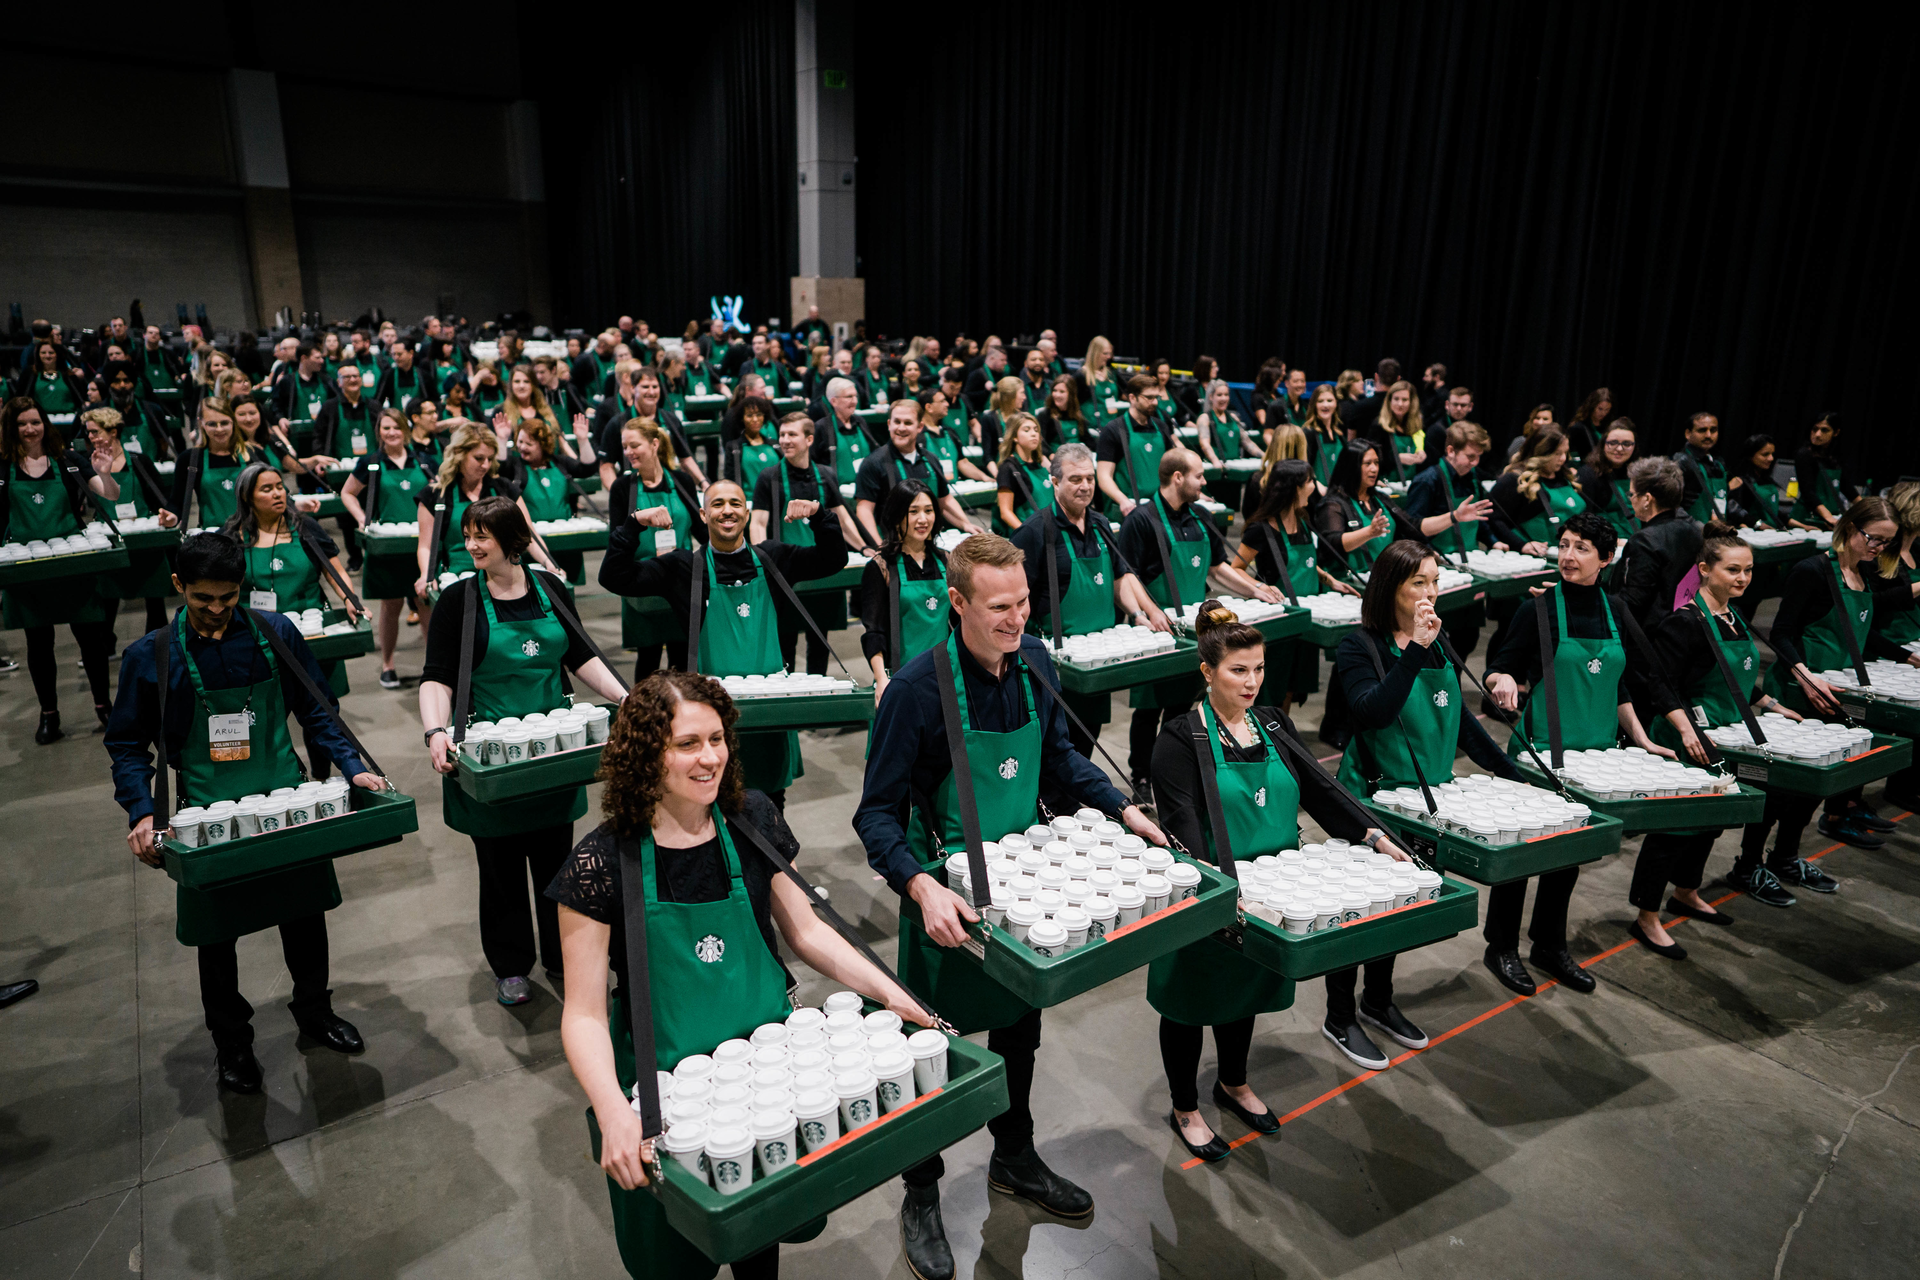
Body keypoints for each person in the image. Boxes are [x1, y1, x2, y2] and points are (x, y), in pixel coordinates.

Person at [853, 533, 1167, 1280]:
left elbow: (1059, 759)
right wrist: (918, 884)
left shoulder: (1035, 664)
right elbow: (875, 816)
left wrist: (1122, 810)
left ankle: (1015, 1156)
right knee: (929, 1053)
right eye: (999, 607)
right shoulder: (913, 692)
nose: (1017, 618)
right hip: (946, 901)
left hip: (1024, 894)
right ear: (955, 602)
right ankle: (921, 1189)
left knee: (1019, 1034)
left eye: (1024, 602)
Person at [552, 670, 932, 1280]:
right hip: (663, 1083)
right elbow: (585, 1013)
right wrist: (613, 1112)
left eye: (717, 738)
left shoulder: (749, 818)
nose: (711, 758)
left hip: (762, 1064)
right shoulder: (601, 862)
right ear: (647, 753)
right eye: (687, 744)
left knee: (762, 1225)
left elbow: (806, 933)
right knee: (677, 1249)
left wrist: (890, 991)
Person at [106, 532, 379, 1091]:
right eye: (203, 598)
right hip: (206, 813)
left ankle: (314, 1010)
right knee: (217, 934)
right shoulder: (150, 656)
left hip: (285, 797)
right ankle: (231, 1042)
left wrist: (353, 766)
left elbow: (319, 710)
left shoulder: (275, 635)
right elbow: (128, 744)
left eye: (228, 598)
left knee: (304, 913)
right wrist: (141, 810)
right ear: (179, 586)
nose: (216, 611)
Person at [1148, 601, 1415, 1159]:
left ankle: (1233, 1081)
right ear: (1206, 670)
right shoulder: (1180, 738)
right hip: (1211, 893)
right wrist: (1219, 898)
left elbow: (1322, 791)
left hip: (1275, 893)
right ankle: (1185, 1107)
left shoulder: (1272, 723)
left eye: (1259, 669)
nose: (1251, 682)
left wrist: (1374, 836)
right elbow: (1180, 829)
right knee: (1189, 1004)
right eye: (1237, 670)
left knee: (1246, 990)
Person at [419, 498, 628, 1006]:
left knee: (558, 862)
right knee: (500, 868)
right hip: (490, 759)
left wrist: (625, 697)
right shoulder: (459, 601)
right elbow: (438, 677)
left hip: (554, 752)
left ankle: (564, 957)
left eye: (481, 536)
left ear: (512, 541)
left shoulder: (551, 589)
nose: (470, 545)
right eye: (467, 535)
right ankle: (511, 965)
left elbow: (580, 655)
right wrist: (435, 732)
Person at [1330, 540, 1514, 1066]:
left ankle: (1378, 1001)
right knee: (1359, 912)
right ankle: (1339, 1016)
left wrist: (1518, 775)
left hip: (1426, 800)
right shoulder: (1358, 647)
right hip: (1371, 801)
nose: (1431, 592)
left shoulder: (1440, 642)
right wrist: (1413, 649)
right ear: (1391, 588)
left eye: (1434, 581)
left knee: (1399, 909)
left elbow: (1462, 726)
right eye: (1418, 583)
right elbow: (1374, 713)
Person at [1482, 513, 1675, 991]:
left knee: (1568, 855)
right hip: (1541, 752)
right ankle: (1500, 946)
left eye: (1582, 548)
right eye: (1564, 545)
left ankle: (1549, 944)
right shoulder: (1539, 610)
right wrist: (1502, 679)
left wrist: (1645, 740)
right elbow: (1500, 665)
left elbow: (1619, 685)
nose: (1568, 555)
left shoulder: (1616, 611)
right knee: (1523, 852)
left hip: (1596, 758)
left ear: (1607, 559)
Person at [600, 479, 846, 803]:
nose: (727, 510)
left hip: (770, 714)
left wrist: (819, 516)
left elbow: (834, 558)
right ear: (703, 515)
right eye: (717, 504)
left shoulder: (774, 559)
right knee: (713, 809)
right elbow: (613, 576)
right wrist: (633, 525)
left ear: (746, 513)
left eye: (734, 503)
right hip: (711, 719)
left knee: (771, 805)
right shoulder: (683, 567)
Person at [1735, 497, 1916, 892]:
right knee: (1780, 791)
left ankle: (1785, 857)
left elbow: (1862, 635)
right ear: (1850, 528)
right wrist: (1806, 677)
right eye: (1873, 538)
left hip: (1839, 697)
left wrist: (1907, 656)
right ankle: (1748, 864)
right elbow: (1782, 633)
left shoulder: (1863, 576)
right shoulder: (1812, 570)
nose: (1878, 548)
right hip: (1800, 696)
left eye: (1885, 543)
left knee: (1811, 790)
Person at [1626, 524, 1774, 957]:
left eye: (1748, 570)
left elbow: (1738, 678)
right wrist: (1688, 730)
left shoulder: (1733, 617)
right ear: (1704, 570)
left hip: (1725, 736)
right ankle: (1646, 916)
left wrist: (1773, 703)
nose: (1742, 578)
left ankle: (1686, 892)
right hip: (1684, 739)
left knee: (1710, 822)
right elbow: (1659, 684)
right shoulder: (1685, 622)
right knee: (1673, 829)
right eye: (1732, 570)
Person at [1119, 448, 1281, 793]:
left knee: (1181, 705)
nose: (1205, 482)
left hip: (1195, 629)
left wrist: (1255, 589)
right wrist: (1146, 613)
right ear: (1177, 477)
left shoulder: (1202, 516)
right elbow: (1126, 577)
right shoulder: (1141, 520)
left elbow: (1218, 567)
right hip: (1157, 629)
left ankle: (1171, 768)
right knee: (1149, 708)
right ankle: (1142, 776)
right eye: (1199, 475)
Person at [1009, 442, 1163, 756]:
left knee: (1086, 740)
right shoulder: (1034, 532)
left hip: (1096, 658)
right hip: (1057, 660)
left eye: (1090, 478)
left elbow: (1119, 577)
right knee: (1054, 748)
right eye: (1075, 479)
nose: (1085, 486)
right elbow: (1015, 597)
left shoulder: (1101, 525)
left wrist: (1138, 613)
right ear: (1054, 482)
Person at [1, 397, 122, 740]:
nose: (29, 429)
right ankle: (49, 714)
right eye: (22, 423)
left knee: (91, 639)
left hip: (73, 563)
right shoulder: (3, 465)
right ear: (12, 427)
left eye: (35, 422)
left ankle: (103, 706)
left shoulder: (68, 460)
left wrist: (103, 473)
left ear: (45, 424)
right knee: (39, 644)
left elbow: (108, 495)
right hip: (27, 568)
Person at [1234, 459, 1360, 712]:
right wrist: (1260, 587)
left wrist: (1329, 579)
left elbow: (1306, 562)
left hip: (1308, 620)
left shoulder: (1302, 520)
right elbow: (1236, 567)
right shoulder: (1261, 529)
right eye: (1310, 481)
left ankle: (1283, 737)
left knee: (1292, 687)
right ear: (1294, 487)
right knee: (1272, 691)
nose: (1315, 487)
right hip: (1280, 626)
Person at [750, 413, 859, 676]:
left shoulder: (825, 474)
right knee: (785, 641)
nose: (784, 440)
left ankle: (818, 690)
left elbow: (842, 518)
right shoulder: (769, 476)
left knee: (820, 640)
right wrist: (761, 560)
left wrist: (865, 547)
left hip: (820, 565)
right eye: (782, 435)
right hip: (787, 570)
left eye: (792, 435)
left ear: (809, 439)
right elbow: (758, 523)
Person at [339, 407, 433, 688]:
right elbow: (347, 493)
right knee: (390, 606)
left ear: (406, 429)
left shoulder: (426, 461)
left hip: (422, 544)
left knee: (426, 603)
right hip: (387, 547)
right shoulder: (370, 462)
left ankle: (433, 665)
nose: (391, 433)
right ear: (378, 432)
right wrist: (361, 518)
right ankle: (388, 664)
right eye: (385, 428)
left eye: (396, 427)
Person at [604, 419, 704, 677]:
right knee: (647, 659)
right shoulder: (623, 487)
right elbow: (616, 540)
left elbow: (702, 532)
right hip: (642, 582)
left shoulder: (682, 481)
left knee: (683, 659)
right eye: (624, 447)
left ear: (655, 444)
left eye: (634, 445)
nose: (628, 452)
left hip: (680, 581)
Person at [1398, 422, 1499, 654]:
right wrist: (1427, 553)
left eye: (1479, 457)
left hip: (1469, 568)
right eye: (1470, 456)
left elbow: (1480, 518)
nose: (1475, 463)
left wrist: (1494, 541)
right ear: (1451, 451)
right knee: (1436, 642)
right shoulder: (1427, 481)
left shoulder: (1473, 478)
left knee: (1468, 638)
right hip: (1438, 574)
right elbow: (1410, 531)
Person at [83, 406, 178, 635]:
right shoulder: (88, 466)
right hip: (109, 540)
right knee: (108, 598)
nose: (90, 437)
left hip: (144, 539)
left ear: (113, 432)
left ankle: (157, 644)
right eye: (89, 432)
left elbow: (161, 497)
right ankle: (105, 646)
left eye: (96, 431)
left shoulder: (138, 461)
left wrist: (168, 515)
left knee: (154, 599)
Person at [860, 481, 951, 697]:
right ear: (898, 515)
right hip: (902, 679)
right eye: (913, 512)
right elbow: (874, 632)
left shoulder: (947, 561)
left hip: (945, 675)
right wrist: (882, 680)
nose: (923, 519)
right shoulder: (880, 567)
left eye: (929, 511)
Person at [853, 400, 976, 547]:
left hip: (929, 543)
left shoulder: (931, 459)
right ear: (888, 424)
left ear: (920, 427)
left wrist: (966, 524)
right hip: (893, 547)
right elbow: (864, 510)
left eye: (908, 423)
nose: (901, 428)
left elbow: (945, 501)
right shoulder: (872, 463)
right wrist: (879, 546)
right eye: (896, 422)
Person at [502, 415, 599, 586]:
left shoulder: (559, 463)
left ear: (543, 445)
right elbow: (500, 466)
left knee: (567, 587)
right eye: (520, 442)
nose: (522, 447)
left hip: (565, 538)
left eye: (529, 444)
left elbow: (587, 468)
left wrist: (583, 440)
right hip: (533, 541)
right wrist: (502, 440)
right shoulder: (516, 466)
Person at [1608, 457, 1701, 632]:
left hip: (1651, 637)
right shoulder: (1694, 529)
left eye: (1632, 494)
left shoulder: (1645, 541)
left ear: (1647, 499)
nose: (1631, 500)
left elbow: (1633, 601)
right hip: (1685, 629)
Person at [1489, 428, 1585, 555]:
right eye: (1557, 453)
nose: (1563, 459)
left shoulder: (1565, 477)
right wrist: (1521, 545)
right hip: (1536, 559)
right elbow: (1494, 519)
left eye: (1565, 453)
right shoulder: (1514, 480)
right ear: (1542, 453)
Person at [1095, 374, 1179, 515]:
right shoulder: (1114, 430)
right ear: (1132, 398)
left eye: (1156, 397)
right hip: (1128, 508)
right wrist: (1122, 501)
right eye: (1149, 398)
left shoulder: (1161, 427)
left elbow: (1173, 467)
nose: (1154, 402)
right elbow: (1103, 477)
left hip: (1160, 507)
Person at [1316, 441, 1395, 578]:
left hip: (1383, 577)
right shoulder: (1333, 503)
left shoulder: (1379, 498)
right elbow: (1333, 543)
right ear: (1352, 466)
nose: (1374, 468)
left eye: (1376, 463)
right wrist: (1369, 532)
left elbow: (1412, 525)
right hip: (1348, 582)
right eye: (1368, 463)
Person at [1575, 420, 1640, 541]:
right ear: (1603, 444)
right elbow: (1584, 521)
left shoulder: (1638, 473)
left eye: (1627, 443)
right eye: (1613, 443)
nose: (1620, 449)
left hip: (1636, 539)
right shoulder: (1587, 474)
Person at [1789, 413, 1851, 529]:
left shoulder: (1836, 457)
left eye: (1824, 430)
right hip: (1808, 518)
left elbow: (1848, 489)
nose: (1817, 435)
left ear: (1836, 433)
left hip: (1831, 518)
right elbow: (1808, 492)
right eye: (1815, 429)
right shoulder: (1804, 454)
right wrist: (1828, 518)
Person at [811, 375, 875, 488]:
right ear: (834, 401)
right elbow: (813, 465)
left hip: (866, 489)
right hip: (836, 494)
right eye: (849, 397)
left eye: (856, 396)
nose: (854, 401)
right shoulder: (822, 427)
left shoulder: (861, 422)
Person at [994, 412, 1053, 532]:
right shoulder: (1008, 468)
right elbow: (1005, 512)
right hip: (1029, 537)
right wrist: (1026, 534)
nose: (1034, 434)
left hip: (1050, 533)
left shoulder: (1040, 464)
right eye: (1027, 430)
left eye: (1036, 430)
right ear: (1014, 437)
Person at [1359, 380, 1425, 481]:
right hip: (1386, 484)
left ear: (1412, 402)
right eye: (1396, 399)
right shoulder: (1379, 426)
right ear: (1389, 401)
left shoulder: (1415, 426)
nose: (1400, 404)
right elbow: (1369, 459)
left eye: (1405, 400)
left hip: (1410, 483)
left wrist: (1421, 454)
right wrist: (1396, 458)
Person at [1725, 433, 1792, 530]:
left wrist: (1802, 526)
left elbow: (1774, 511)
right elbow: (1735, 511)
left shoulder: (1767, 480)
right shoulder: (1739, 480)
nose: (1771, 458)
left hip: (1771, 533)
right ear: (1750, 455)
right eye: (1765, 454)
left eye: (1772, 454)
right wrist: (1757, 524)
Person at [1673, 412, 1727, 526]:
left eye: (1713, 430)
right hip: (1689, 532)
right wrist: (1699, 527)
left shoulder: (1718, 463)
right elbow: (1670, 506)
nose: (1708, 435)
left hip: (1715, 532)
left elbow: (1723, 497)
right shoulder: (1681, 462)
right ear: (1688, 433)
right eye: (1702, 430)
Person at [724, 395, 781, 496]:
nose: (755, 419)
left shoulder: (775, 445)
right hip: (749, 503)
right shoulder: (734, 447)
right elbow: (730, 480)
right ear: (742, 419)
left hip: (776, 501)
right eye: (749, 415)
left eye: (759, 415)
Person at [1194, 378, 1255, 467]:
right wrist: (1215, 462)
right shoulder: (1205, 418)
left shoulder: (1233, 418)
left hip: (1235, 466)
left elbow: (1248, 443)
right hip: (1217, 468)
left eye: (1226, 395)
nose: (1224, 398)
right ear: (1211, 397)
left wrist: (1265, 456)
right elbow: (1205, 444)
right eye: (1219, 395)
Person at [1301, 383, 1344, 488]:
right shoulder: (1308, 433)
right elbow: (1303, 469)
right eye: (1320, 401)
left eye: (1329, 400)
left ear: (1336, 403)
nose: (1325, 405)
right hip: (1316, 494)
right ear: (1314, 405)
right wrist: (1318, 486)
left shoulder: (1339, 434)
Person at [1078, 335, 1119, 436]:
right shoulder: (1082, 376)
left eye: (1109, 353)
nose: (1108, 357)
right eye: (1105, 353)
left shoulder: (1111, 374)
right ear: (1095, 353)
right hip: (1093, 428)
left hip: (1112, 425)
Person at [1035, 373, 1086, 450]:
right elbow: (1041, 444)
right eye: (1055, 391)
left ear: (1071, 394)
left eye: (1062, 392)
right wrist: (1050, 455)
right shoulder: (1045, 415)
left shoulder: (1078, 414)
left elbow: (1087, 440)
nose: (1057, 395)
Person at [1564, 387, 1614, 461]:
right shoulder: (1578, 427)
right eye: (1600, 409)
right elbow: (1572, 454)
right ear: (1592, 406)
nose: (1603, 413)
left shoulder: (1609, 426)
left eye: (1607, 410)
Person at [857, 342, 894, 407]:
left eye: (878, 357)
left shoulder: (884, 373)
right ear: (867, 359)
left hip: (885, 407)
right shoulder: (861, 375)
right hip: (869, 409)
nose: (877, 359)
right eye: (873, 357)